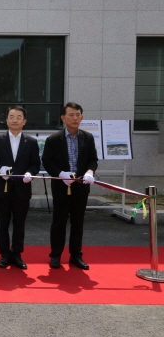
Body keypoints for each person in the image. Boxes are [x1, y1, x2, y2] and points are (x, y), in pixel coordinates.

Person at [42, 102, 98, 270]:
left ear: (82, 117)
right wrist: (60, 174)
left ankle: (76, 255)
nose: (75, 118)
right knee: (59, 221)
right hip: (61, 185)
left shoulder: (87, 137)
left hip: (81, 186)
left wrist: (90, 172)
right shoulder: (53, 139)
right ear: (63, 118)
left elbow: (93, 160)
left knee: (78, 222)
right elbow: (47, 161)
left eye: (78, 115)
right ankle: (55, 255)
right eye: (71, 115)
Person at [0, 106, 41, 270]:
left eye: (18, 117)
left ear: (24, 121)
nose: (15, 120)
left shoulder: (31, 142)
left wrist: (30, 173)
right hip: (3, 188)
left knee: (19, 223)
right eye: (11, 117)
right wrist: (0, 169)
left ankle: (17, 254)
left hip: (22, 189)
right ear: (7, 120)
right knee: (2, 222)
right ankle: (4, 254)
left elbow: (35, 164)